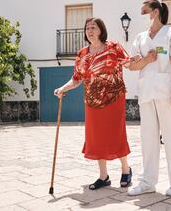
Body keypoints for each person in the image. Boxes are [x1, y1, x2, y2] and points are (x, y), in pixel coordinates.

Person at [54, 17, 133, 190]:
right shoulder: (82, 54)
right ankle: (103, 176)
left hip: (114, 99)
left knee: (116, 134)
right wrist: (62, 88)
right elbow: (76, 80)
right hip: (92, 102)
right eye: (87, 28)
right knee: (96, 137)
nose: (89, 31)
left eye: (93, 27)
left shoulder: (114, 47)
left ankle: (126, 169)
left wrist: (145, 59)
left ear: (101, 30)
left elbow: (129, 64)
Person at [127, 0, 171, 197]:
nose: (142, 13)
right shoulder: (140, 37)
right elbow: (132, 65)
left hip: (165, 92)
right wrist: (147, 59)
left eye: (145, 9)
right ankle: (147, 182)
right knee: (148, 139)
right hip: (146, 93)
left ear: (155, 12)